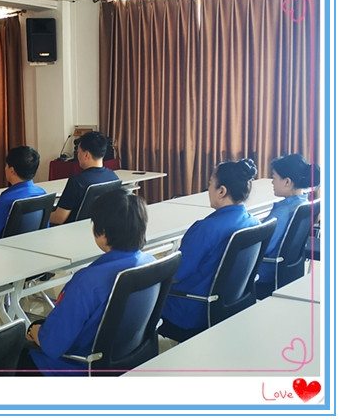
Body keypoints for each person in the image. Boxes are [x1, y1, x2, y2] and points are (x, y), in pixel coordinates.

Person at [19, 187, 154, 376]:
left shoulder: (88, 282)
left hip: (75, 367)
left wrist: (34, 330)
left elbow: (52, 344)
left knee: (12, 350)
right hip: (125, 359)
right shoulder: (151, 263)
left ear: (103, 232)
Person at [159, 159, 260, 342]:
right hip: (229, 304)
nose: (208, 189)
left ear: (221, 191)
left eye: (210, 184)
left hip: (189, 310)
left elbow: (175, 275)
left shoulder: (205, 229)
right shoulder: (254, 223)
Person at [255, 154, 321, 299]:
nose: (272, 182)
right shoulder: (303, 204)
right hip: (286, 269)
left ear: (287, 182)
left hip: (264, 272)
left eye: (274, 177)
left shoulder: (281, 214)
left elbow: (261, 248)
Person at [49, 130, 119, 225]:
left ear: (86, 155)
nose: (77, 156)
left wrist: (41, 216)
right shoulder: (113, 177)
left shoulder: (77, 181)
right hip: (98, 228)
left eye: (78, 152)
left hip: (72, 229)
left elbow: (59, 218)